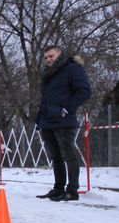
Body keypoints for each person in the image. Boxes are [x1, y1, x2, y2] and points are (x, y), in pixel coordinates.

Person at [35, 45, 91, 202]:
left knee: (68, 155)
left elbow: (84, 91)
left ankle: (72, 190)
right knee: (55, 156)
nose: (48, 60)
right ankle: (58, 188)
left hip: (64, 120)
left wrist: (67, 109)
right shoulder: (47, 74)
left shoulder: (72, 68)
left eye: (51, 56)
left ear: (59, 54)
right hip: (47, 121)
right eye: (46, 57)